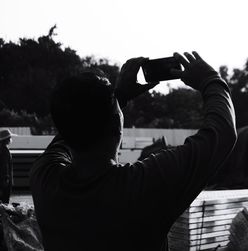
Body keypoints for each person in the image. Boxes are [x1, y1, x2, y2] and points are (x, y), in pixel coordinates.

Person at [30, 52, 237, 251]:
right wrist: (211, 79)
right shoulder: (145, 185)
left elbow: (70, 128)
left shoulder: (44, 179)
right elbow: (222, 133)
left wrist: (117, 98)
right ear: (116, 124)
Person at [0, 129, 14, 204]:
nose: (10, 139)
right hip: (4, 181)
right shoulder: (4, 150)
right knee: (5, 201)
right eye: (9, 137)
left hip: (2, 180)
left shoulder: (1, 149)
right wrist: (6, 179)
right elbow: (5, 166)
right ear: (6, 139)